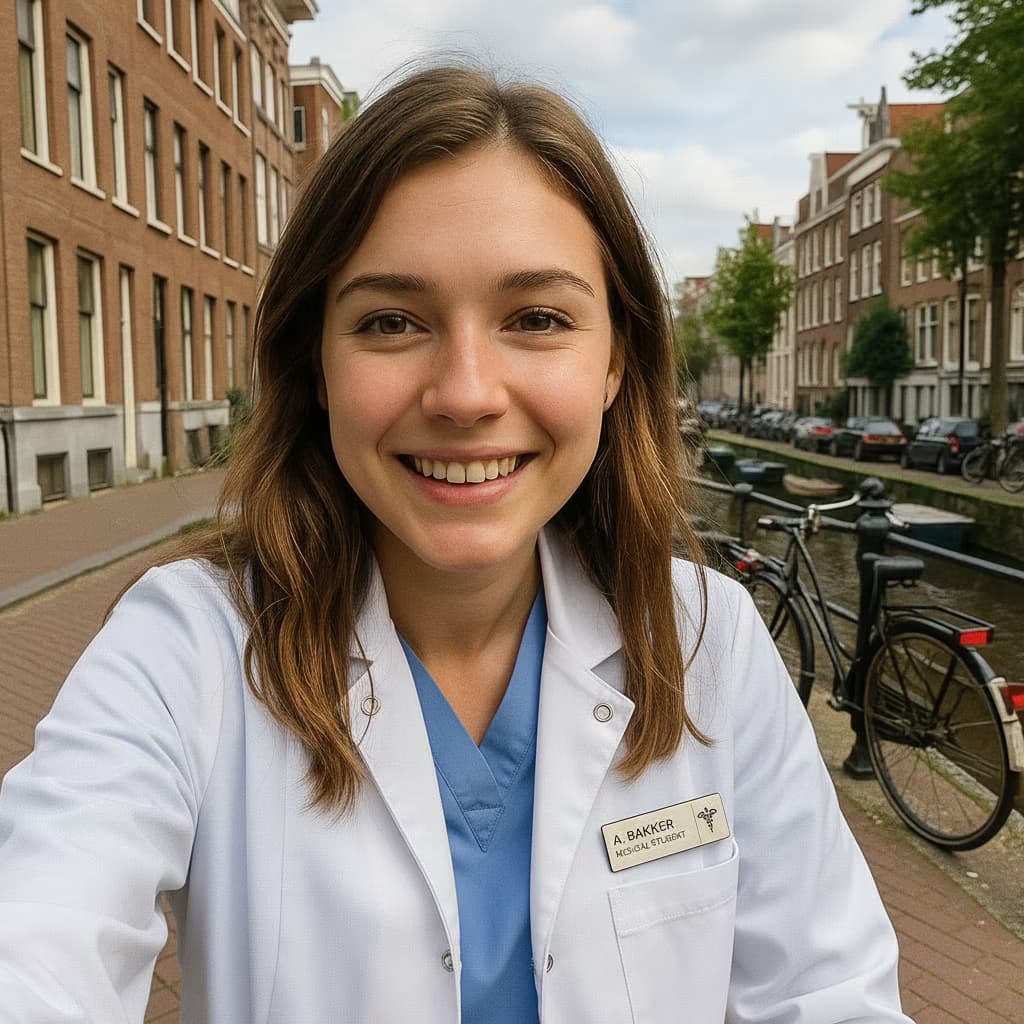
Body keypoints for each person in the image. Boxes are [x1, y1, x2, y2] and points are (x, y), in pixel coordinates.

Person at [0, 64, 912, 1023]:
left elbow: (827, 990)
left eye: (537, 319)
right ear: (316, 364)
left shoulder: (708, 642)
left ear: (614, 363)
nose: (467, 392)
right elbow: (38, 930)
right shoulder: (189, 650)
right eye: (392, 322)